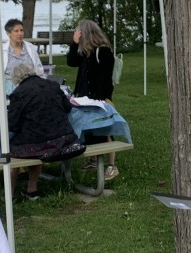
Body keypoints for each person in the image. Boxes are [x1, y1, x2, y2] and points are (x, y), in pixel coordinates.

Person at [7, 62, 80, 199]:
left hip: (40, 144)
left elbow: (12, 125)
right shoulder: (53, 85)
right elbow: (68, 107)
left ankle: (9, 192)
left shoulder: (18, 93)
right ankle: (32, 189)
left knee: (11, 150)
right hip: (65, 140)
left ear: (16, 79)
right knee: (33, 142)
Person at [67, 19, 118, 180]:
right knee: (89, 127)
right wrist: (74, 44)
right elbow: (71, 62)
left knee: (105, 129)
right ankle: (94, 160)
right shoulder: (85, 51)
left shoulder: (103, 51)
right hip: (84, 96)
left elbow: (106, 78)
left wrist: (101, 98)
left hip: (99, 97)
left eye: (79, 33)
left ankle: (112, 165)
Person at [0, 18, 44, 90]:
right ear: (8, 33)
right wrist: (0, 90)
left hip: (31, 89)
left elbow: (39, 70)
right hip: (9, 90)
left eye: (21, 30)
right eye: (16, 31)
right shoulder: (1, 50)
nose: (20, 34)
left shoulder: (30, 47)